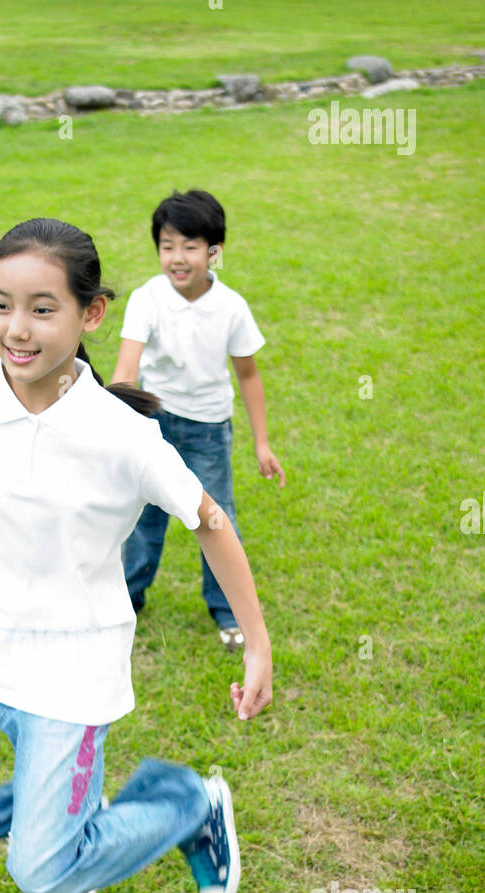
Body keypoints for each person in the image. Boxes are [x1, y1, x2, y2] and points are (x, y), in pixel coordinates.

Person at [0, 218, 273, 893]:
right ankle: (60, 817)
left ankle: (189, 804)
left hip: (71, 672)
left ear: (91, 313)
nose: (18, 328)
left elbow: (209, 520)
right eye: (1, 304)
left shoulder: (123, 434)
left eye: (43, 309)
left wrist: (256, 641)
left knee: (41, 869)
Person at [113, 189, 284, 653]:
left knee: (213, 517)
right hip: (155, 423)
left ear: (214, 252)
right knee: (143, 518)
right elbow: (127, 370)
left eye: (190, 246)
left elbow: (248, 375)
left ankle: (228, 612)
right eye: (167, 246)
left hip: (208, 428)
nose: (177, 257)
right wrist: (118, 425)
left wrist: (261, 443)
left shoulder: (231, 307)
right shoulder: (147, 298)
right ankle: (126, 601)